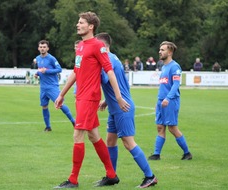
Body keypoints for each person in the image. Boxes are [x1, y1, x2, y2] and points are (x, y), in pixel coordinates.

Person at [54, 11, 130, 188]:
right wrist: (61, 94)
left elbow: (110, 71)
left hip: (90, 98)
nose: (77, 25)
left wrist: (118, 96)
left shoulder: (98, 46)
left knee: (77, 134)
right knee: (94, 135)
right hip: (81, 97)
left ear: (91, 26)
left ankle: (73, 180)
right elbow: (76, 71)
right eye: (78, 22)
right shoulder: (81, 45)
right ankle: (111, 175)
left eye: (81, 22)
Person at [96, 32, 157, 188]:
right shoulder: (114, 58)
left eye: (96, 45)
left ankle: (150, 176)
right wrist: (107, 100)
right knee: (110, 141)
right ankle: (112, 176)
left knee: (128, 143)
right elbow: (117, 82)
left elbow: (102, 79)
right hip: (116, 107)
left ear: (103, 46)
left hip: (123, 107)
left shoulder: (107, 59)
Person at [148, 41, 192, 161]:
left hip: (170, 101)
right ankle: (156, 154)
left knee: (172, 128)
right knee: (160, 127)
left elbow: (176, 84)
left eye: (162, 50)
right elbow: (163, 86)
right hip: (161, 101)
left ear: (170, 52)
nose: (159, 52)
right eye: (160, 49)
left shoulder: (174, 66)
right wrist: (158, 101)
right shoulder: (164, 67)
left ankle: (187, 153)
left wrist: (168, 98)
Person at [35, 40, 75, 132]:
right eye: (41, 47)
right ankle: (48, 127)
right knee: (44, 106)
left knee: (60, 104)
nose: (42, 48)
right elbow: (41, 70)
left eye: (44, 47)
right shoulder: (38, 58)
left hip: (52, 87)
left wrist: (47, 71)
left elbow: (59, 69)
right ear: (38, 48)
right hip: (43, 88)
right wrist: (37, 73)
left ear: (48, 48)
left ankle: (73, 121)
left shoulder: (51, 58)